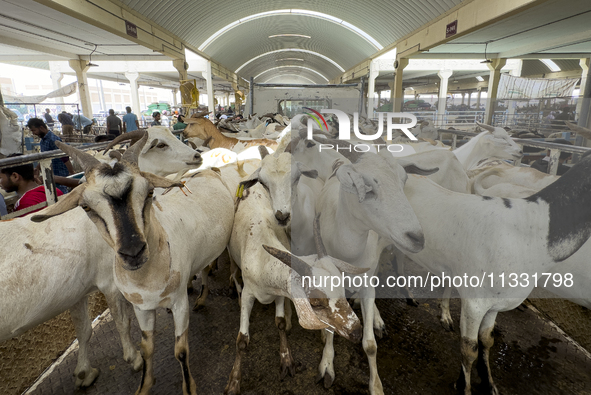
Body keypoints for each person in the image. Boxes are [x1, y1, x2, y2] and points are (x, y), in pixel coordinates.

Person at [26, 118, 74, 193]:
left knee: (62, 194)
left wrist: (72, 173)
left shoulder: (53, 140)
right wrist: (37, 168)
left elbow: (64, 158)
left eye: (34, 130)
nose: (33, 133)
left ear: (41, 127)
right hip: (51, 174)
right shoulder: (43, 141)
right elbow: (45, 157)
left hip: (60, 175)